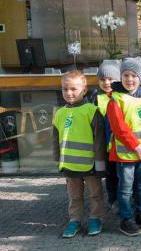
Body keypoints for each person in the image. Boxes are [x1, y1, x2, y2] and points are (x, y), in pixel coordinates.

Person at [107, 57, 141, 236]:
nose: (129, 79)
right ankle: (126, 218)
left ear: (140, 78)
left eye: (133, 75)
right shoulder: (116, 99)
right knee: (125, 189)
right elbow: (119, 128)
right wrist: (136, 146)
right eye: (125, 75)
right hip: (126, 156)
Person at [53, 70, 106, 238]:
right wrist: (57, 160)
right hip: (69, 164)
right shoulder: (59, 113)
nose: (69, 93)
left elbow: (99, 140)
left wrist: (100, 165)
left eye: (73, 89)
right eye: (65, 89)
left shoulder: (92, 111)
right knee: (74, 196)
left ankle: (95, 218)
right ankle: (75, 220)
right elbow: (55, 139)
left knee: (95, 194)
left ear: (84, 90)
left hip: (90, 165)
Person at [91, 60, 120, 212]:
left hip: (120, 144)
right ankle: (113, 199)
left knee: (125, 175)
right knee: (110, 174)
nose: (106, 82)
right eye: (102, 79)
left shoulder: (121, 95)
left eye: (110, 79)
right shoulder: (96, 97)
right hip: (105, 146)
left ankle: (129, 198)